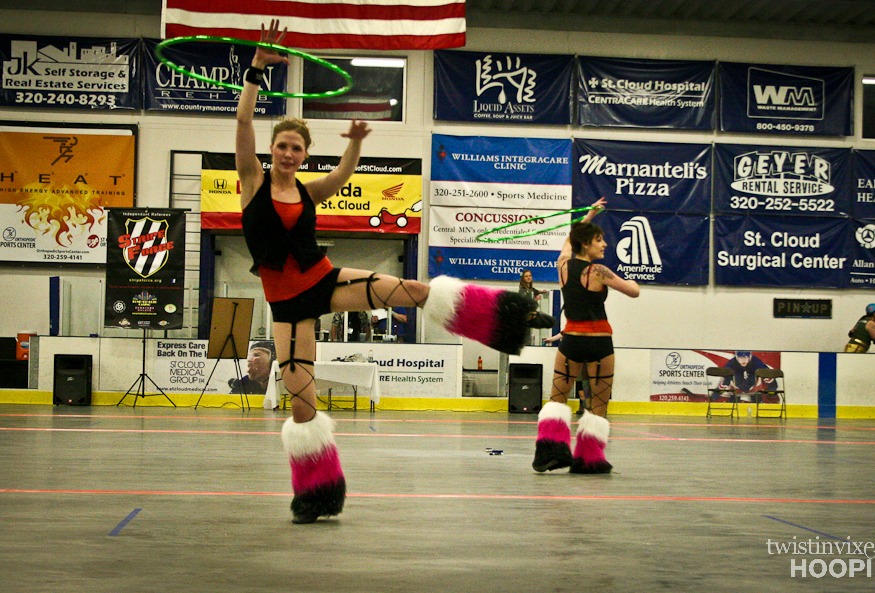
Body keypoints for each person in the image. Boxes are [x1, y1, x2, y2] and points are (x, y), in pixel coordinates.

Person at [237, 21, 552, 524]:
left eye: (297, 148)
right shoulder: (251, 181)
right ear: (272, 151)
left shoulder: (306, 191)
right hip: (287, 305)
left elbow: (341, 176)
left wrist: (356, 141)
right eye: (283, 146)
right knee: (301, 406)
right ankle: (317, 494)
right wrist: (255, 70)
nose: (288, 153)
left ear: (304, 155)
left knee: (414, 290)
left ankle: (509, 318)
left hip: (323, 279)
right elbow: (243, 125)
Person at [532, 198, 640, 474]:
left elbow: (570, 238)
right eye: (599, 240)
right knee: (599, 402)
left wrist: (590, 213)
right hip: (599, 342)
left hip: (570, 341)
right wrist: (634, 281)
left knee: (558, 397)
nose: (604, 244)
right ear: (586, 245)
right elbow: (633, 292)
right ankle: (588, 460)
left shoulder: (563, 265)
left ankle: (548, 453)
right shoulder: (600, 272)